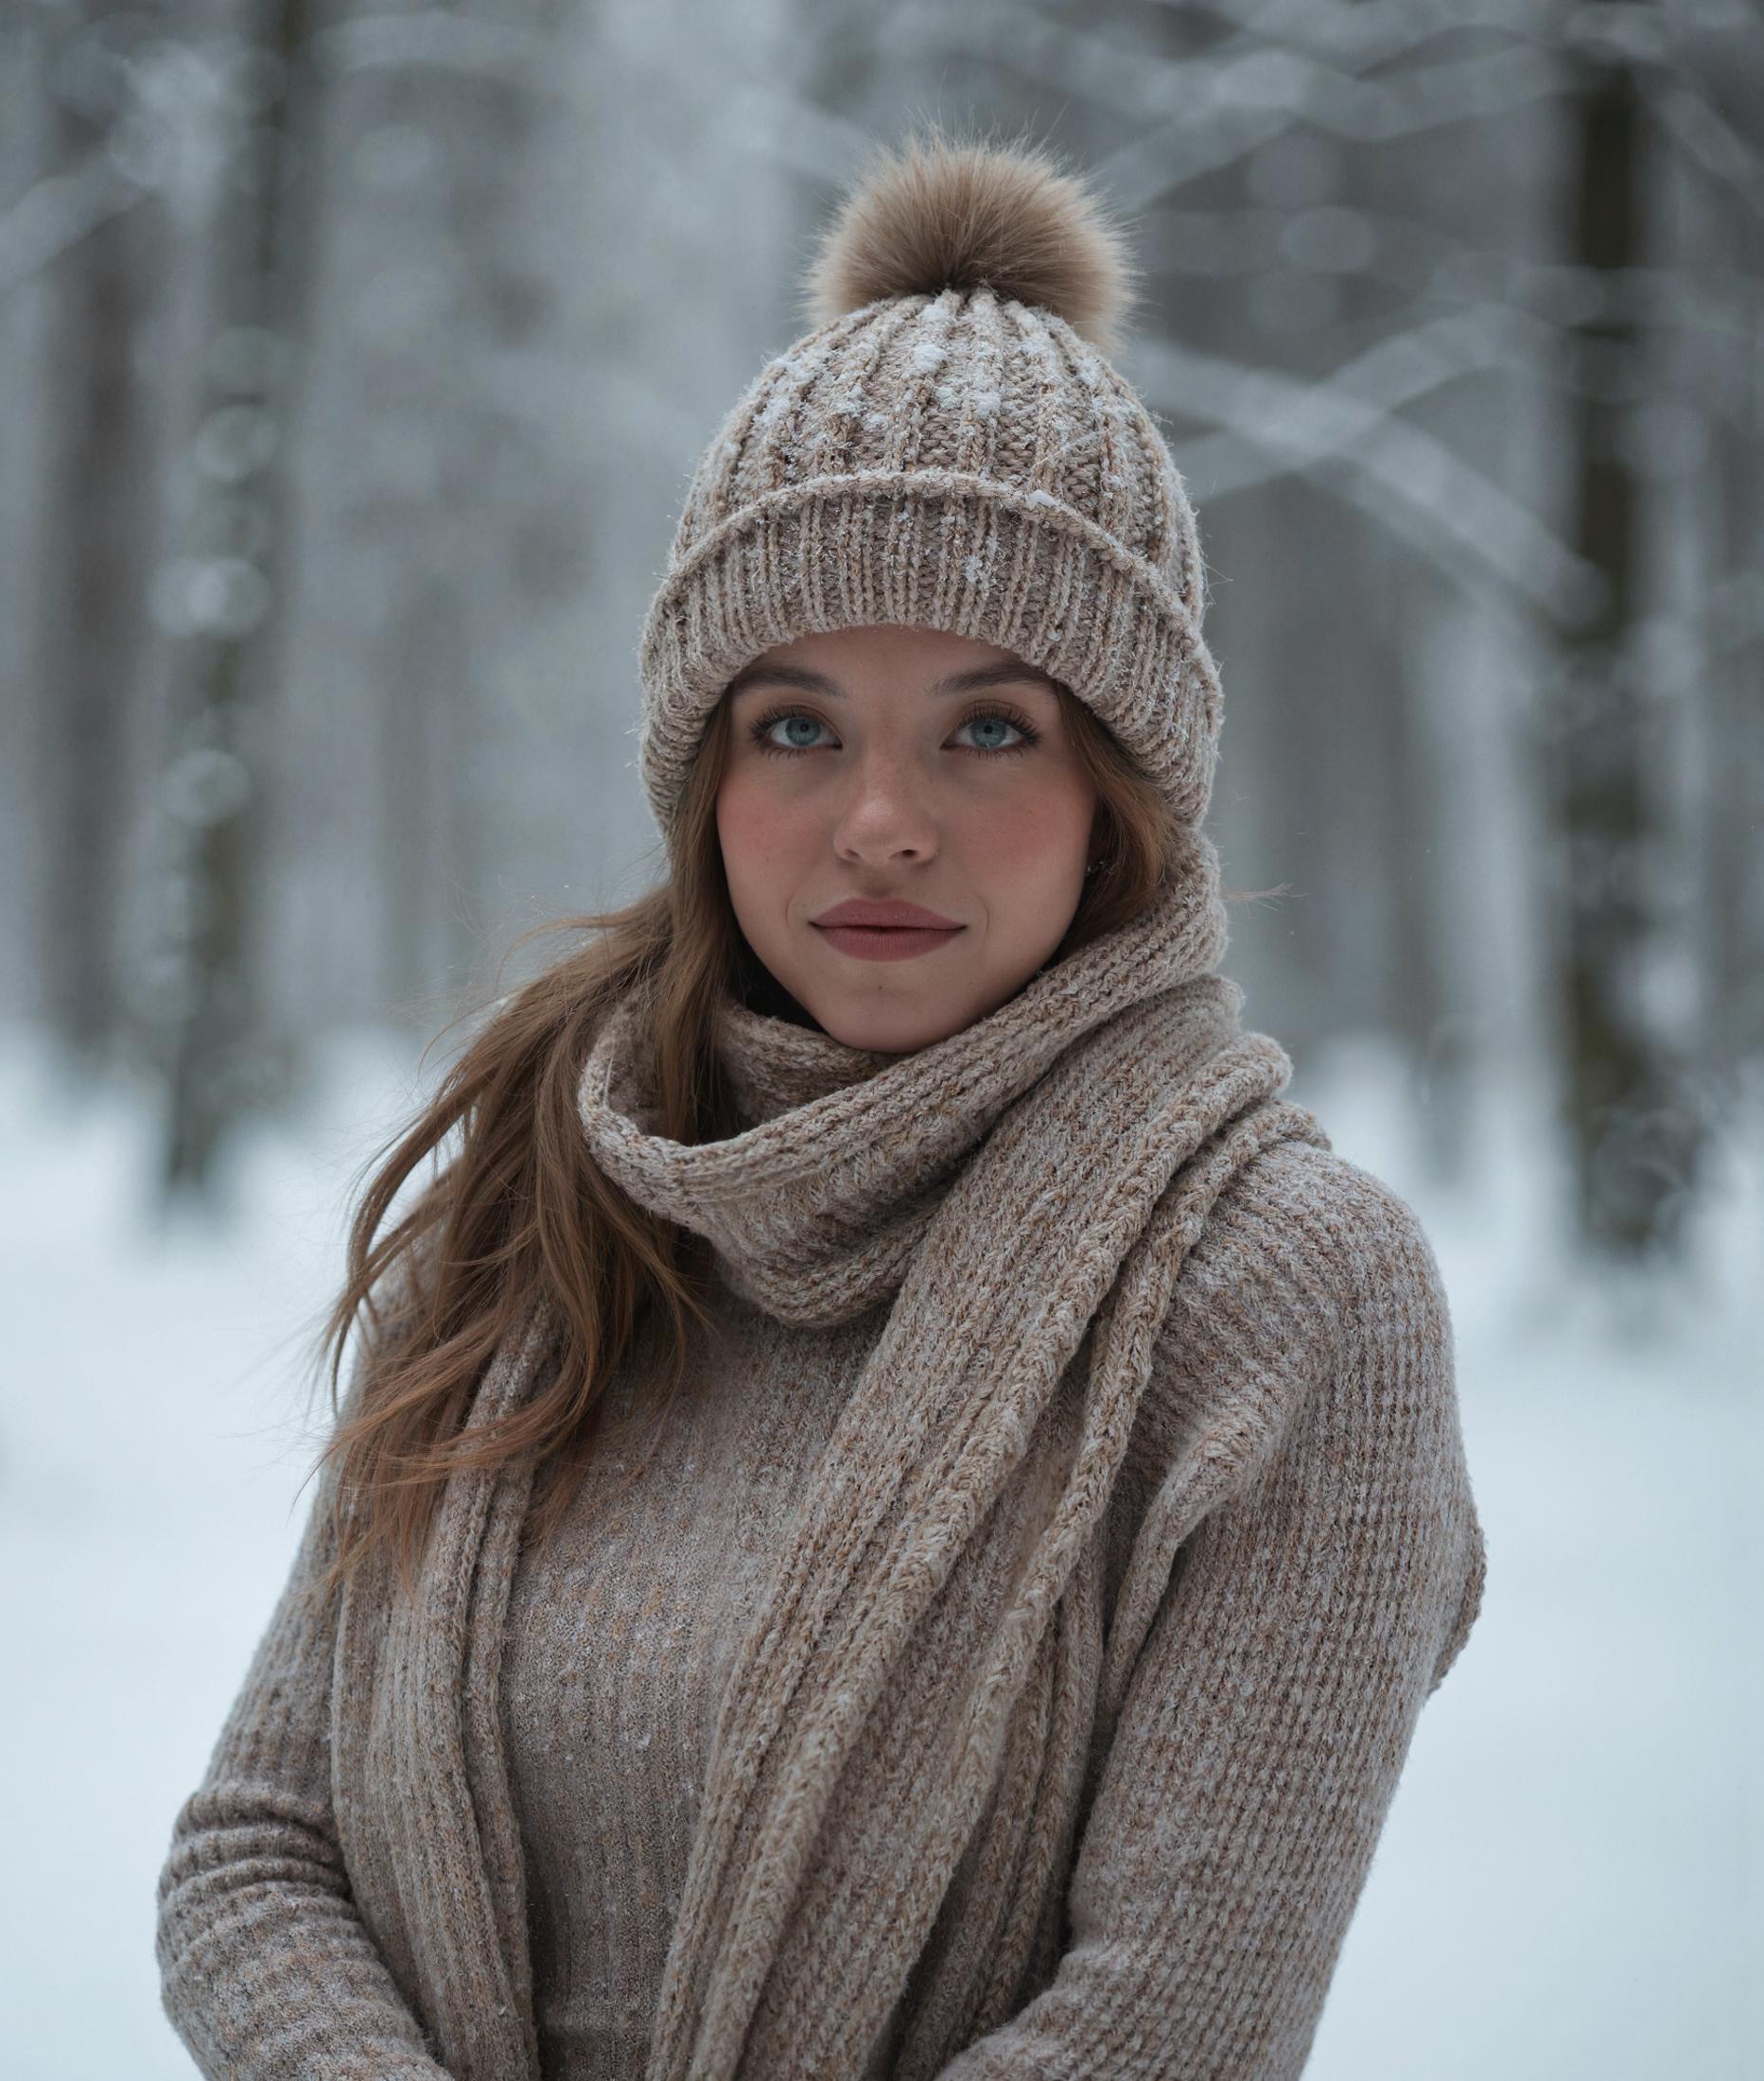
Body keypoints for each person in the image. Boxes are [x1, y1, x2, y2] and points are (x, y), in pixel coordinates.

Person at [154, 126, 1487, 2081]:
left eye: (984, 727)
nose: (877, 820)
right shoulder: (560, 1191)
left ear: (1123, 784)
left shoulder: (1286, 1295)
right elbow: (255, 1853)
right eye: (794, 724)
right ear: (699, 773)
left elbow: (1168, 2025)